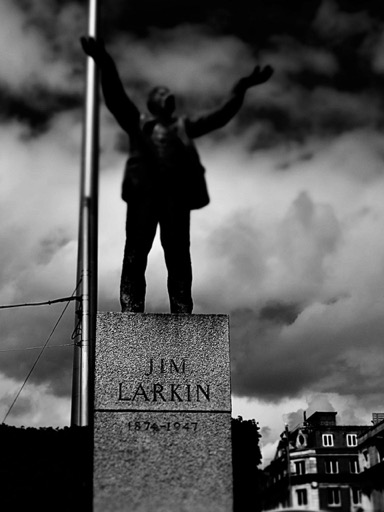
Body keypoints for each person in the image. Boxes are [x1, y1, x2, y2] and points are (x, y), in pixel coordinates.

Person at [81, 37, 273, 314]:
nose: (167, 96)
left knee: (179, 256)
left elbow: (220, 116)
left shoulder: (183, 126)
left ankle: (182, 309)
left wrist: (241, 88)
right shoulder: (138, 124)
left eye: (168, 93)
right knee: (136, 252)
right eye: (161, 94)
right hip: (144, 195)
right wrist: (104, 59)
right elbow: (115, 96)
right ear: (152, 103)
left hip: (175, 198)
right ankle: (132, 309)